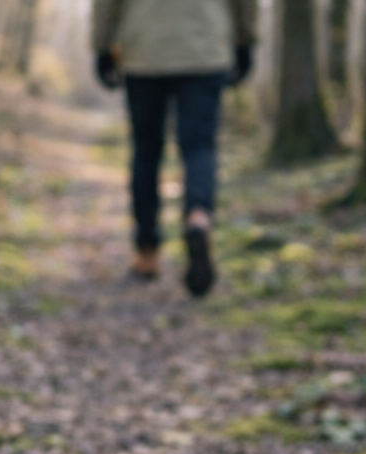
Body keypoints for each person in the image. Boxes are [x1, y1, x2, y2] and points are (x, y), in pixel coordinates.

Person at [92, 0, 258, 297]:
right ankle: (198, 216)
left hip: (144, 49)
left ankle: (147, 252)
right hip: (204, 47)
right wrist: (246, 40)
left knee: (146, 151)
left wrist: (102, 46)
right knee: (199, 147)